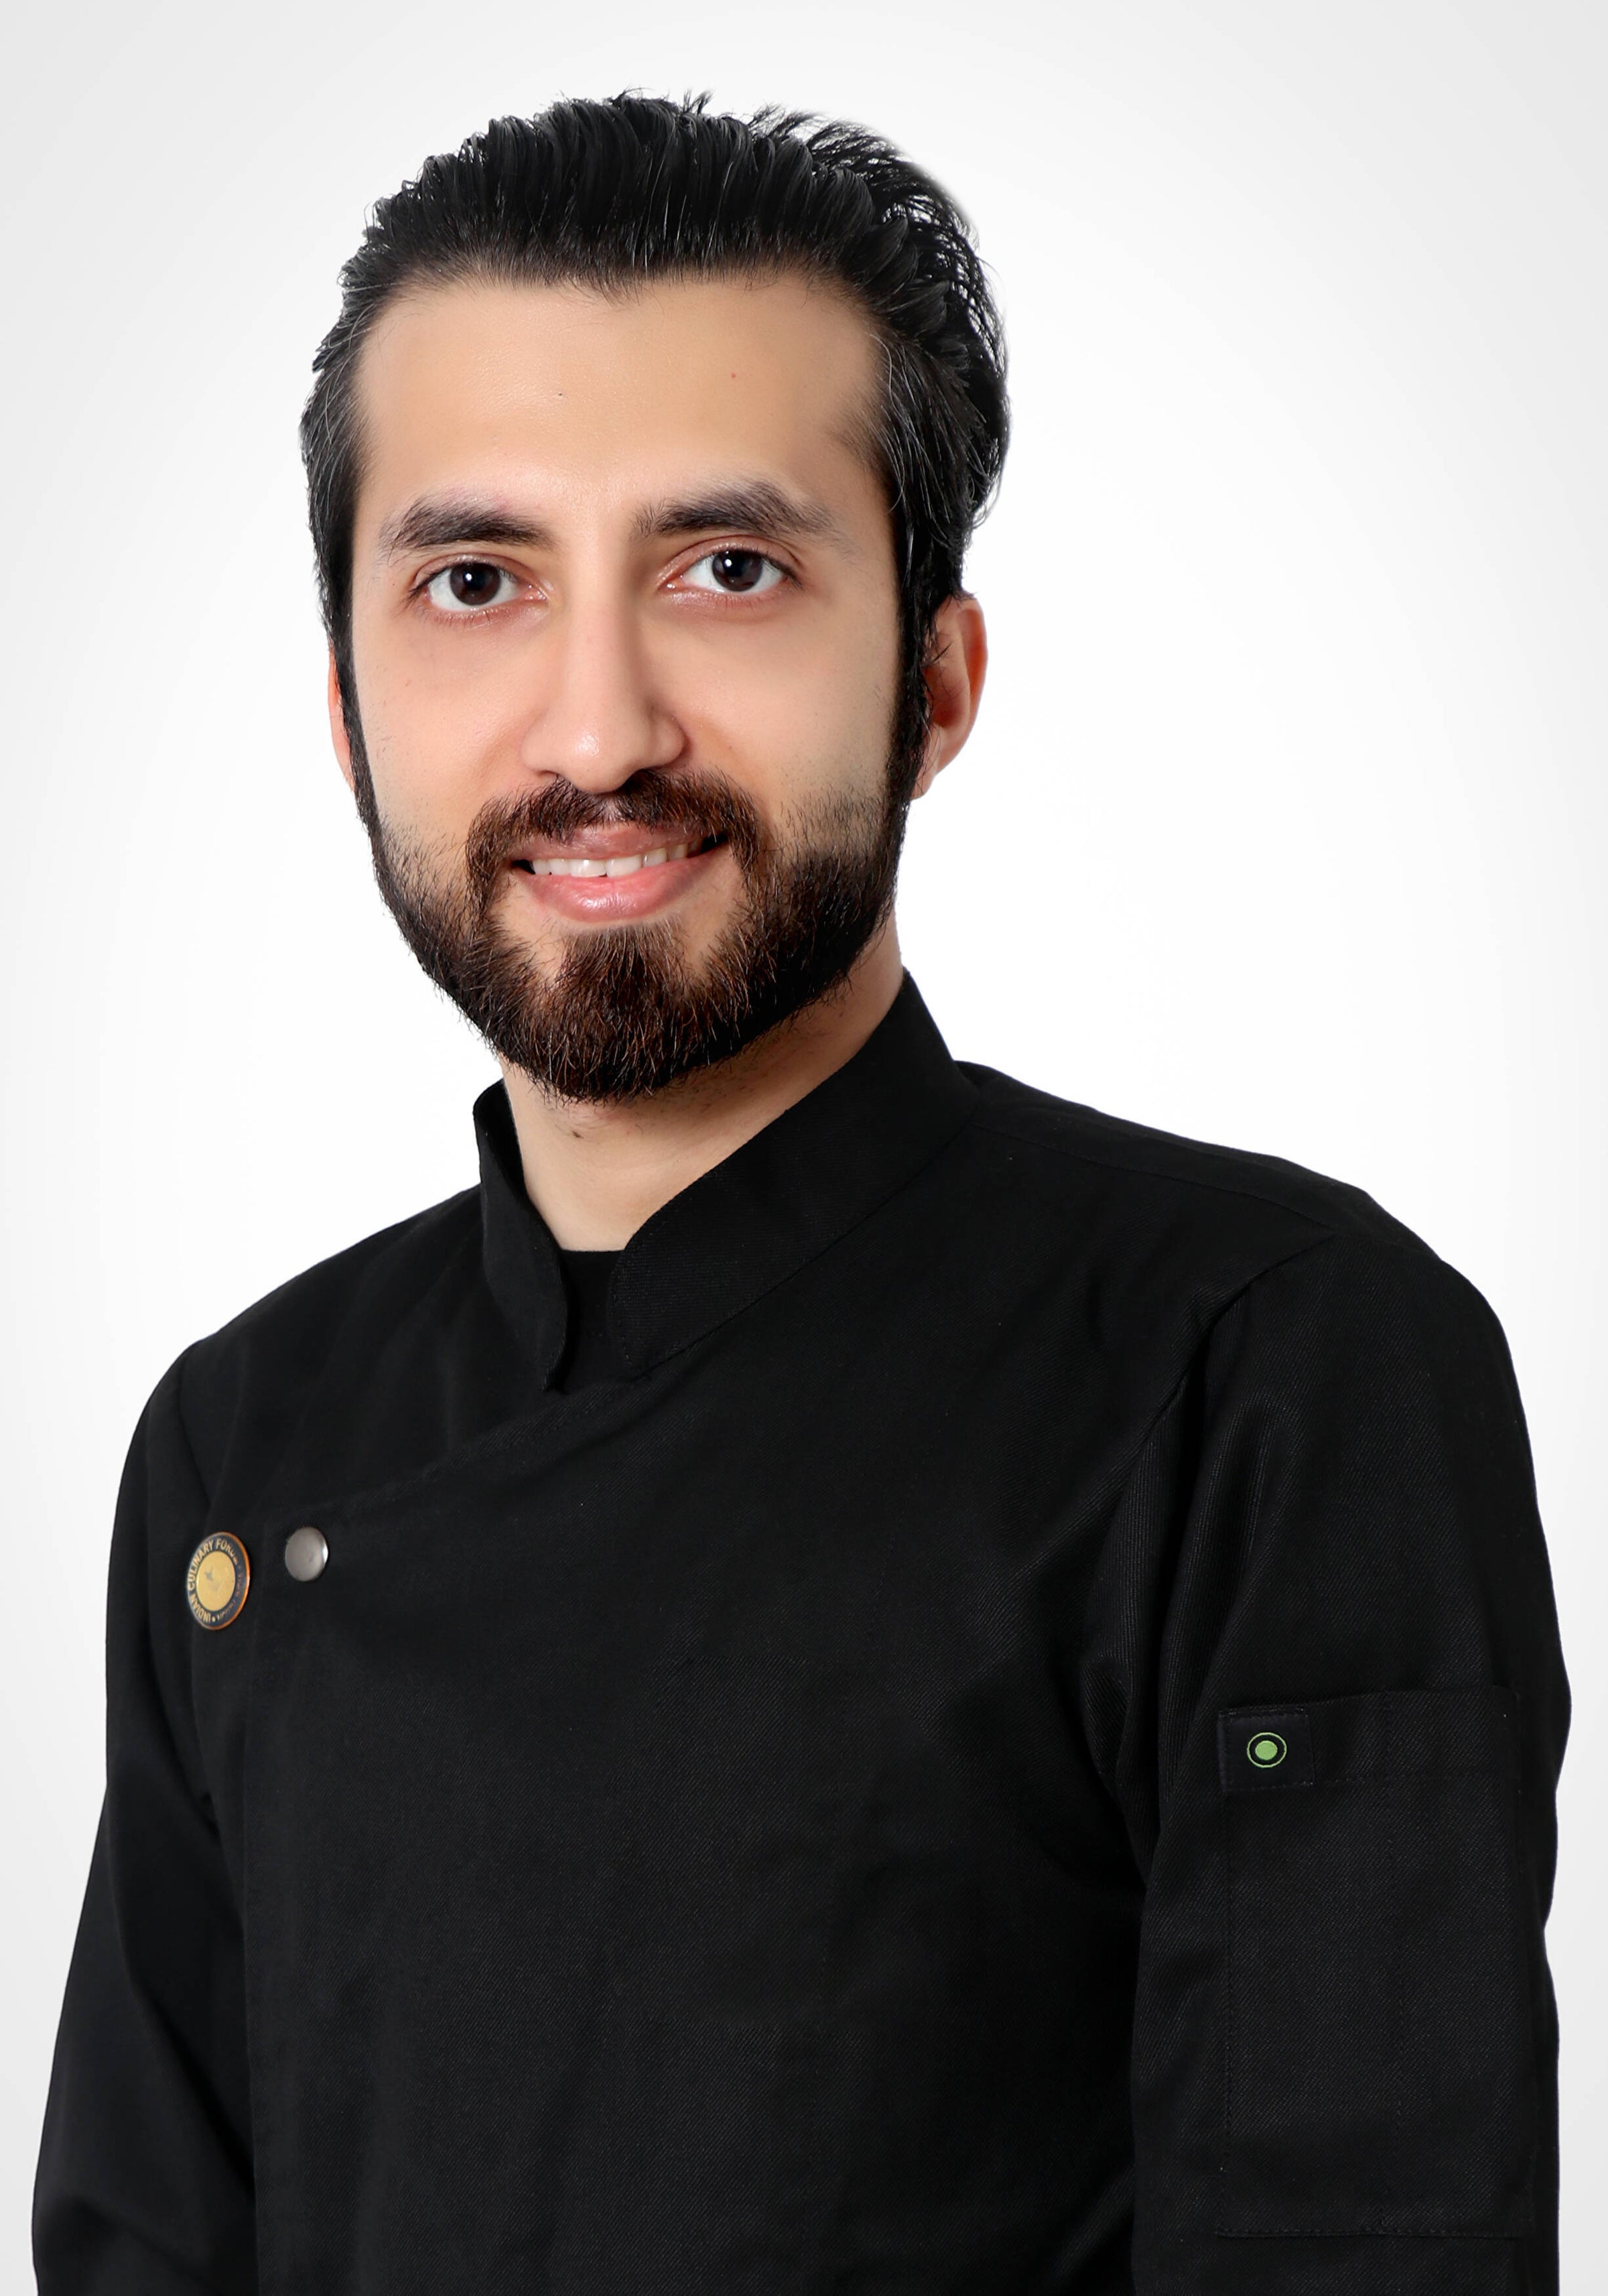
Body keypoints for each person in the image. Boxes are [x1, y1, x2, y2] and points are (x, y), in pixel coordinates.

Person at [34, 91, 1568, 2296]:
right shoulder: (245, 1442)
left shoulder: (1276, 1372)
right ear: (351, 717)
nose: (596, 732)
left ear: (934, 683)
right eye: (476, 582)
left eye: (727, 570)